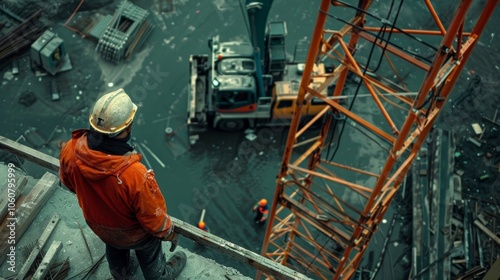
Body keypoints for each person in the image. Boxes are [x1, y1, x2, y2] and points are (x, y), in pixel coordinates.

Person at [59, 89, 186, 280]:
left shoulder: (70, 150)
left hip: (99, 226)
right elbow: (153, 219)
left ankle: (122, 273)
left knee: (115, 247)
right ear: (127, 128)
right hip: (134, 235)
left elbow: (69, 184)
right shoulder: (134, 175)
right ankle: (160, 276)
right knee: (149, 251)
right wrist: (169, 234)